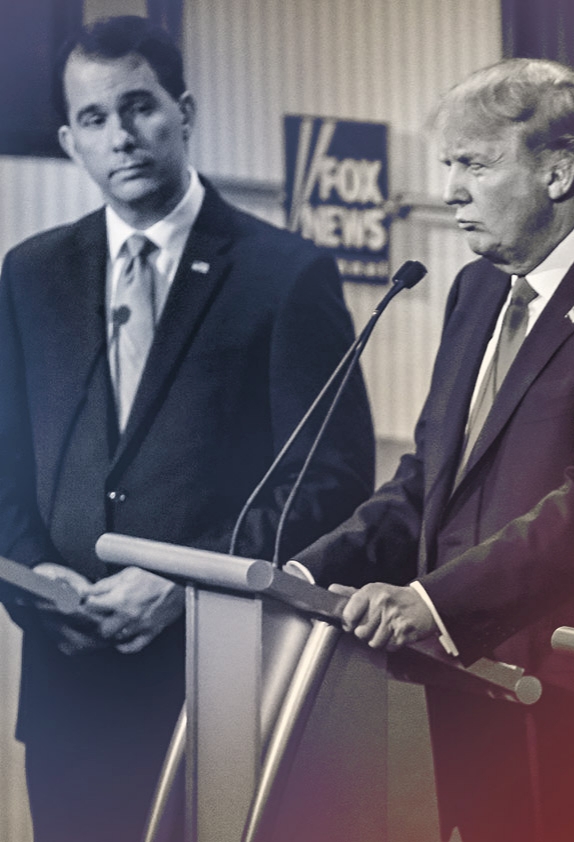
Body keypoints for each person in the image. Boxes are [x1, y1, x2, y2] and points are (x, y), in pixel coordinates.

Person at [292, 58, 574, 842]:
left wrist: (431, 602)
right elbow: (431, 477)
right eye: (448, 166)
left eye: (475, 165)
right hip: (470, 666)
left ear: (559, 173)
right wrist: (306, 571)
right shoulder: (477, 288)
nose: (451, 190)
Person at [0, 16, 375, 842]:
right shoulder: (30, 273)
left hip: (214, 679)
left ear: (185, 111)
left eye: (140, 108)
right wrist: (38, 588)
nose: (121, 136)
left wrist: (188, 582)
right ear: (69, 140)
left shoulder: (285, 274)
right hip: (69, 689)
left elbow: (333, 477)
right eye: (95, 120)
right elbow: (8, 466)